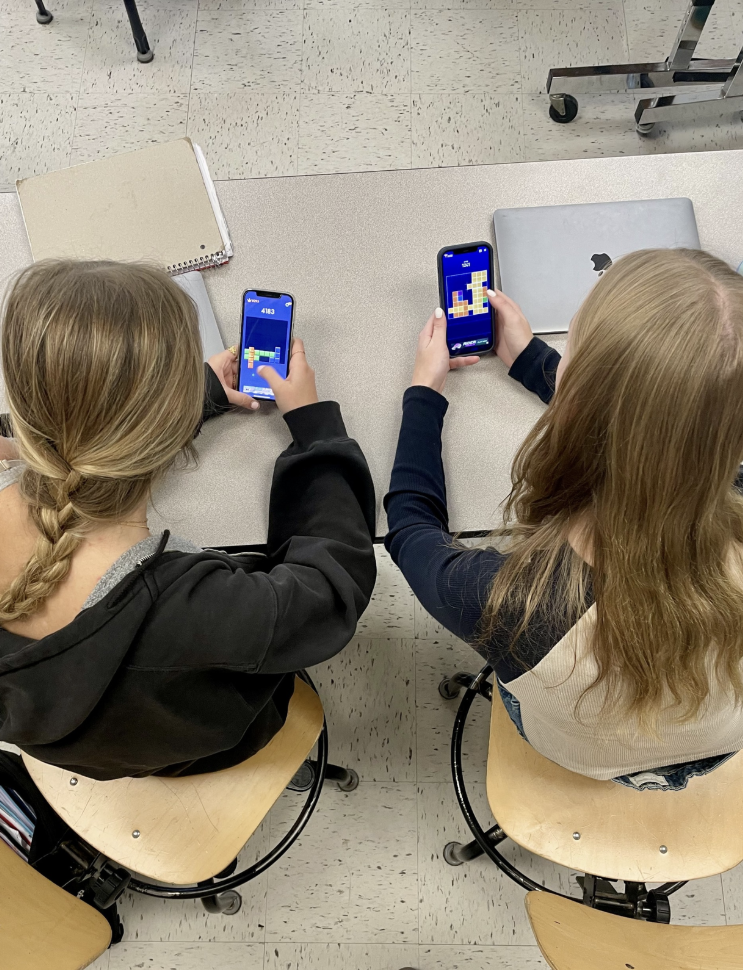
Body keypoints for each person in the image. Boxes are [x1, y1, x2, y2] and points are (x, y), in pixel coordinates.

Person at [0, 260, 376, 780]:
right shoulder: (197, 609)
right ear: (170, 422)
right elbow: (331, 591)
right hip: (203, 744)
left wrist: (191, 396)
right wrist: (315, 429)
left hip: (83, 751)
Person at [385, 248, 743, 792]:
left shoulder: (510, 601)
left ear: (577, 396)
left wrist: (423, 393)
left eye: (568, 352)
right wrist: (532, 360)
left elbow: (410, 526)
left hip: (580, 755)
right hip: (719, 744)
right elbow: (670, 427)